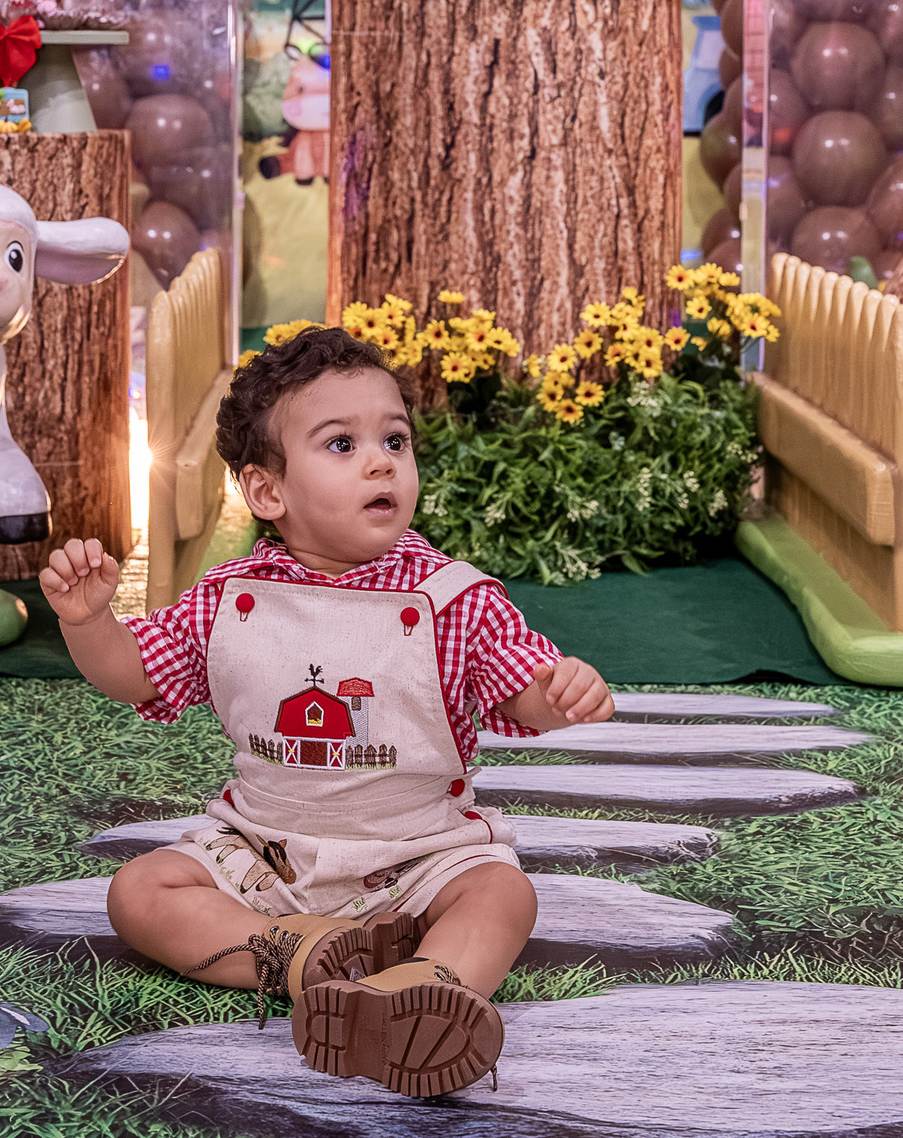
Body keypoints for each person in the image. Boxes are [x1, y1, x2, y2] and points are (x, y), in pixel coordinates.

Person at [41, 326, 613, 1098]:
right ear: (267, 491)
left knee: (503, 894)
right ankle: (309, 954)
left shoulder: (454, 599)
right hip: (263, 850)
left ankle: (416, 991)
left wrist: (560, 694)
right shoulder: (226, 599)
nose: (382, 460)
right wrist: (88, 624)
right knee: (138, 892)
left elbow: (521, 690)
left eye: (395, 440)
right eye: (341, 445)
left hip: (419, 855)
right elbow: (137, 672)